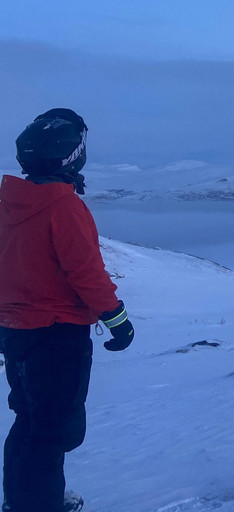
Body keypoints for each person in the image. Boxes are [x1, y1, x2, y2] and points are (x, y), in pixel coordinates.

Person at [0, 109, 134, 512]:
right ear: (72, 155)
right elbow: (85, 272)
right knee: (53, 428)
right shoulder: (63, 206)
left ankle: (23, 500)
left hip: (17, 330)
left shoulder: (9, 204)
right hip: (57, 333)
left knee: (29, 419)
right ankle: (38, 506)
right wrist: (118, 320)